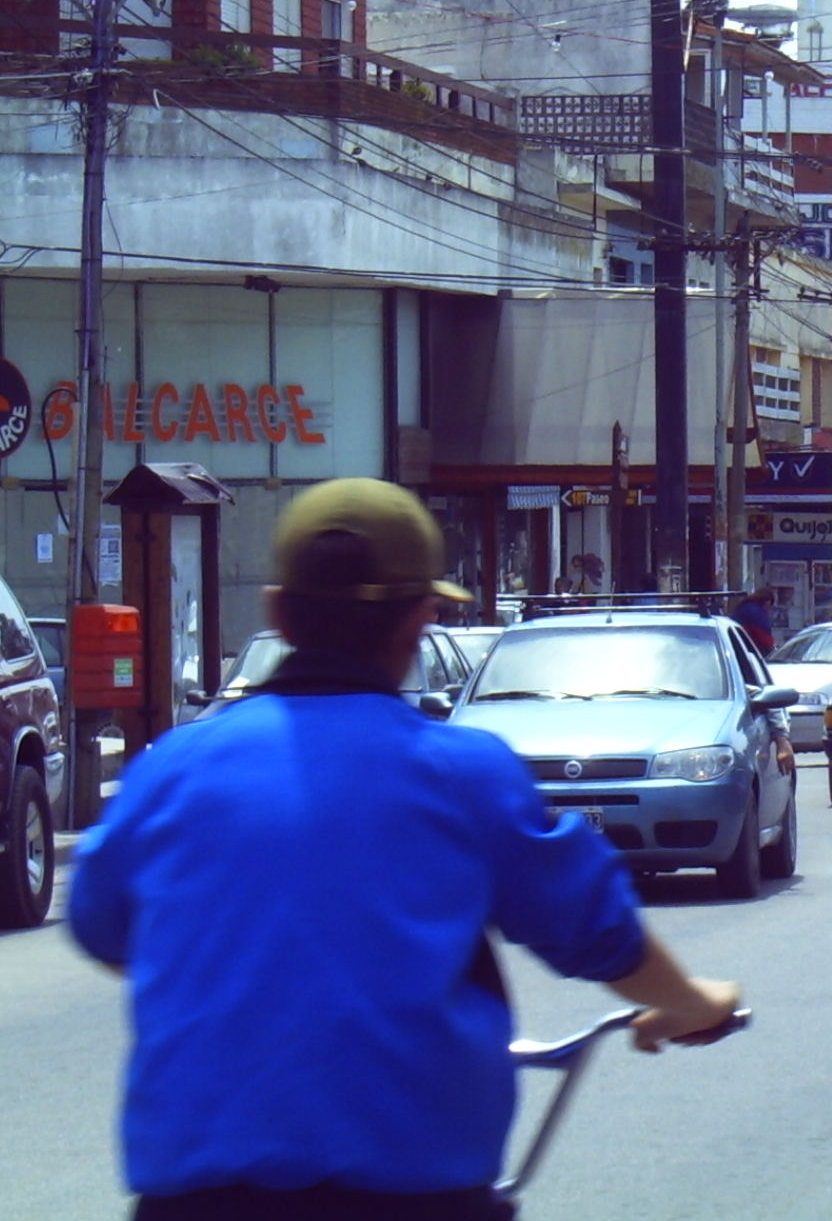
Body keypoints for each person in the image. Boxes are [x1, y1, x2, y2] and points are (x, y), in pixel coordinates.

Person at [70, 478, 738, 1220]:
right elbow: (597, 930)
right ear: (421, 620)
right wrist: (688, 1002)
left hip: (192, 1202)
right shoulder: (462, 772)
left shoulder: (171, 768)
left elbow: (103, 926)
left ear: (278, 612)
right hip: (413, 1198)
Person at [731, 586, 776, 655]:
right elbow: (764, 637)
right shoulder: (758, 613)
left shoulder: (744, 606)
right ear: (768, 602)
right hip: (751, 651)